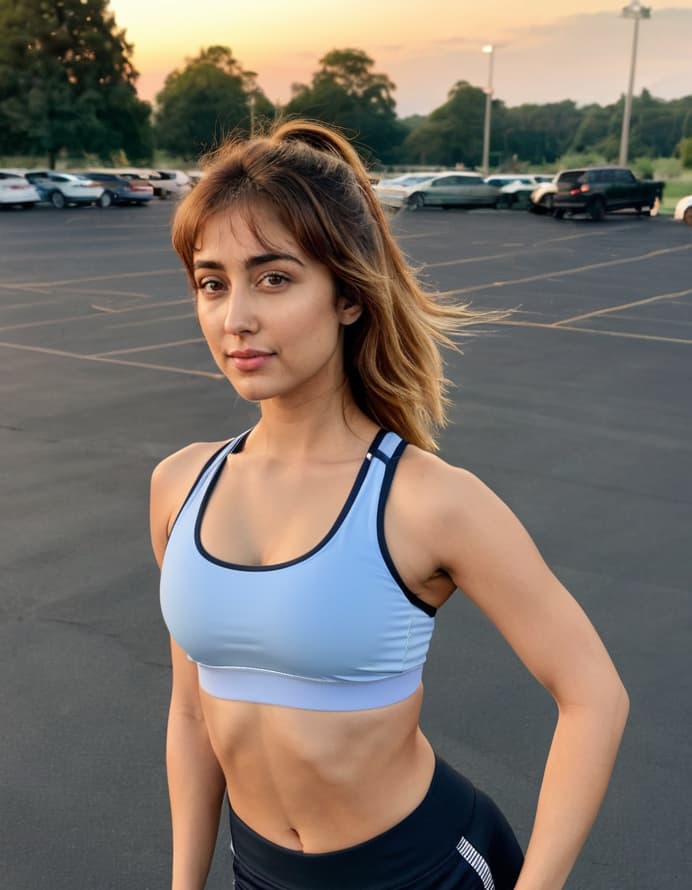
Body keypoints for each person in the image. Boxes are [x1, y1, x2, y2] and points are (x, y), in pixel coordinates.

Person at [150, 120, 629, 890]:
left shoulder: (430, 500)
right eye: (213, 282)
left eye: (273, 278)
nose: (235, 316)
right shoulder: (180, 486)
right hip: (260, 872)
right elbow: (191, 714)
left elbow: (595, 695)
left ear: (347, 295)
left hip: (424, 870)